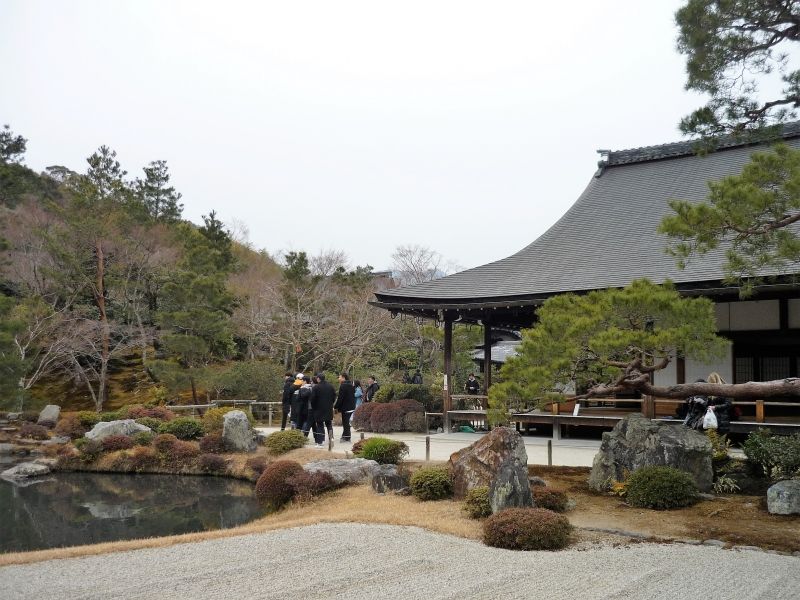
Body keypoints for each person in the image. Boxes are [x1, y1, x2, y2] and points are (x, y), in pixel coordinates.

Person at [310, 373, 336, 448]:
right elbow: (334, 396)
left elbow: (312, 399)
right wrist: (331, 403)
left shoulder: (316, 387)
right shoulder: (330, 386)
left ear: (318, 378)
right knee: (329, 424)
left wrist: (314, 407)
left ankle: (320, 441)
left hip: (318, 408)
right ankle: (331, 439)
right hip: (328, 408)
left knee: (320, 425)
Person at [334, 372, 356, 442]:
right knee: (346, 422)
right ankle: (345, 436)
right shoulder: (351, 385)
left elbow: (340, 398)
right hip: (351, 406)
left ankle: (347, 437)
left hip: (345, 407)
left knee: (345, 422)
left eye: (339, 377)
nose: (339, 378)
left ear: (343, 377)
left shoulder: (343, 386)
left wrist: (336, 406)